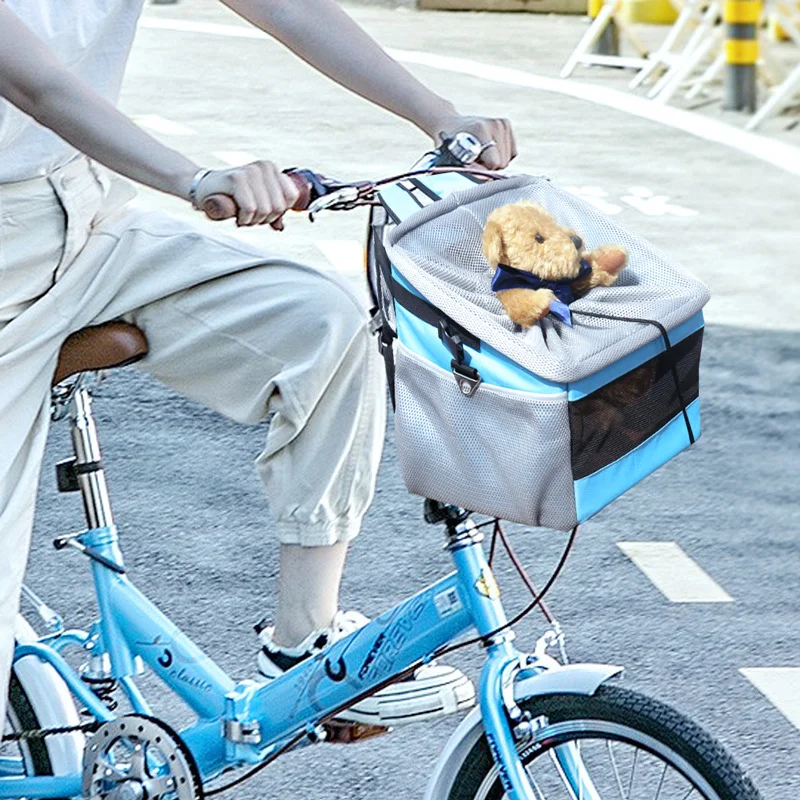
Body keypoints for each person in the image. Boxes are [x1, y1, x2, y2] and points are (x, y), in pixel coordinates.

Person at [0, 0, 516, 729]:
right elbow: (41, 89)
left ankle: (304, 641)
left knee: (324, 321)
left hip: (90, 220)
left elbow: (289, 7)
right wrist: (194, 178)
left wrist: (438, 116)